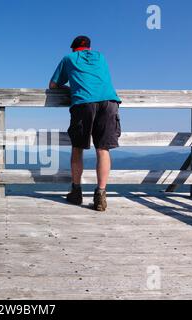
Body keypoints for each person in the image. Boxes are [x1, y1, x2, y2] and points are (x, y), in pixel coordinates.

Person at [49, 35, 121, 212]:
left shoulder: (69, 58)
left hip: (83, 102)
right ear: (89, 48)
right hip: (109, 102)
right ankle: (101, 196)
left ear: (73, 49)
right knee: (103, 149)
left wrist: (72, 88)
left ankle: (76, 192)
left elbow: (53, 85)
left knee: (78, 147)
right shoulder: (101, 57)